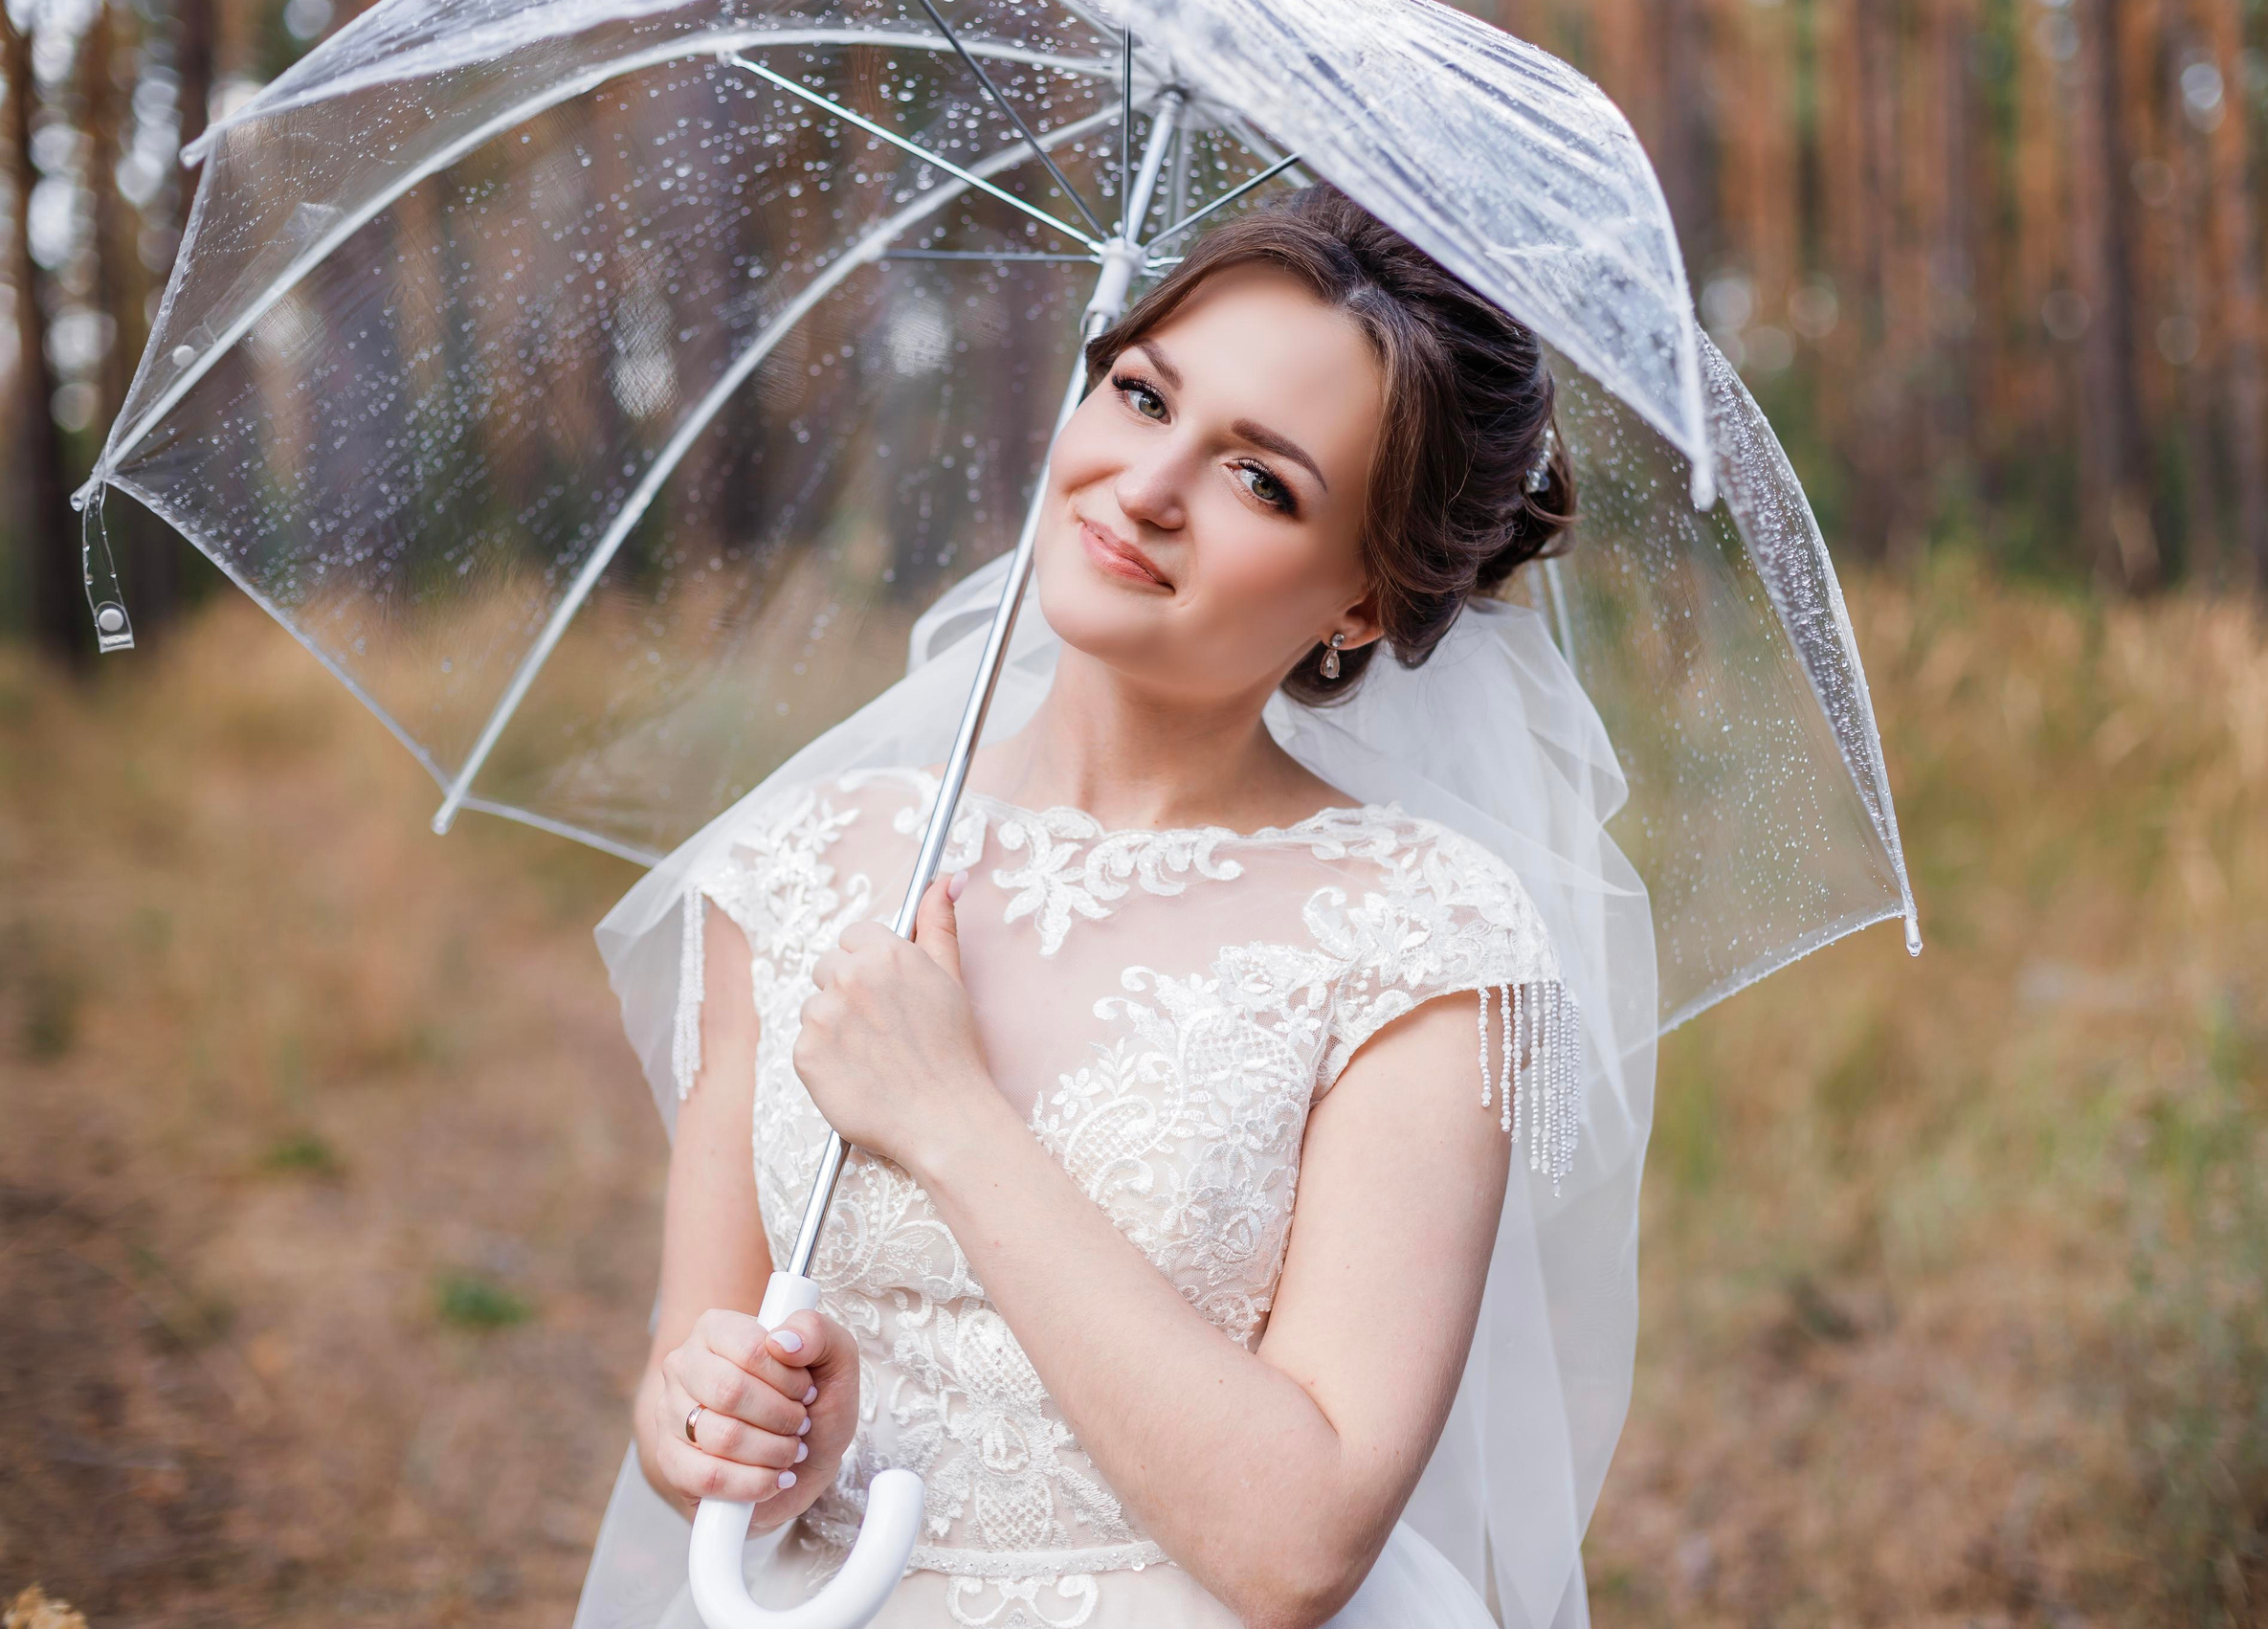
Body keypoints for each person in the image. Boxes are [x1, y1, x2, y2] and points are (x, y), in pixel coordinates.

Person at [578, 185, 1657, 1629]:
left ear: (1356, 603)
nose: (1148, 488)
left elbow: (1299, 1550)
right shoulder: (803, 865)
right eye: (1143, 396)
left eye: (1262, 481)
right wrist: (728, 1432)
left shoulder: (1422, 938)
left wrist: (950, 1116)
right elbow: (685, 1389)